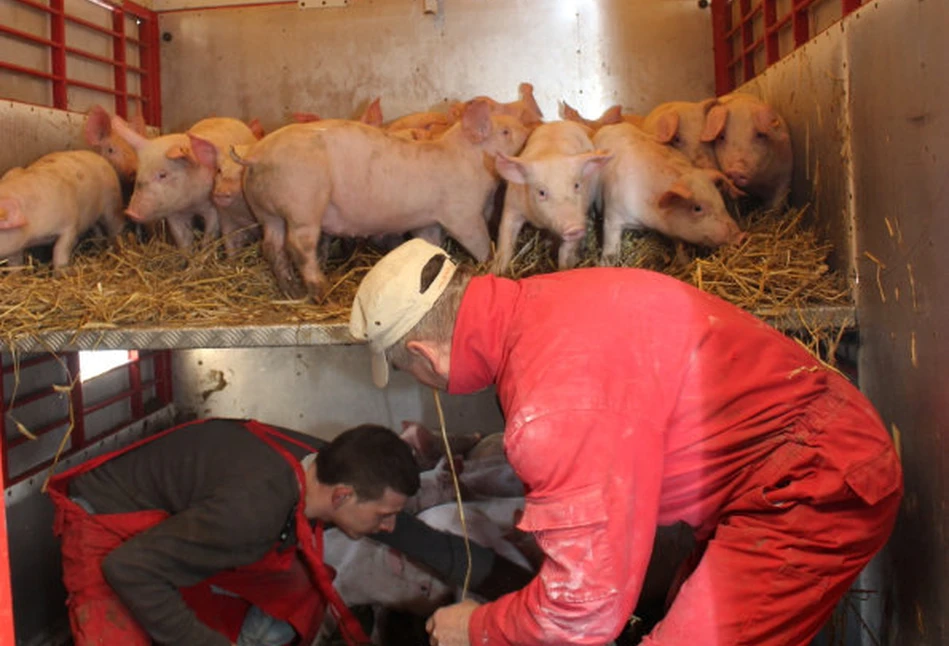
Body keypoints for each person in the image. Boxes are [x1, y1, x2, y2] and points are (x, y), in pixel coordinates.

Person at [348, 239, 903, 646]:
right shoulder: (550, 300)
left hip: (810, 484)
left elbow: (583, 613)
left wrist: (477, 627)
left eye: (410, 372)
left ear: (424, 356)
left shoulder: (551, 406)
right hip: (792, 459)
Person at [48, 418, 418, 646]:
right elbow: (127, 569)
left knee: (299, 586)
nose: (389, 527)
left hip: (169, 523)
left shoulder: (316, 462)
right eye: (385, 515)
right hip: (104, 524)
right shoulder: (254, 512)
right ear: (342, 496)